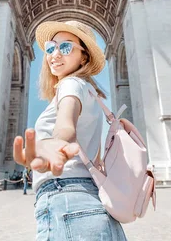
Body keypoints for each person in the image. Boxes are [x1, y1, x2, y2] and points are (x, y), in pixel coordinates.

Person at [13, 20, 127, 241]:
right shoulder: (90, 91)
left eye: (65, 47)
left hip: (65, 200)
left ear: (84, 56)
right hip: (91, 202)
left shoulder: (70, 85)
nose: (55, 54)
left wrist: (55, 143)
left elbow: (66, 124)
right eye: (50, 48)